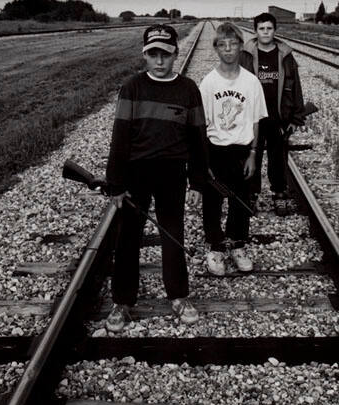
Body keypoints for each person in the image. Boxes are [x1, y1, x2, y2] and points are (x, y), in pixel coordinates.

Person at [104, 24, 208, 332]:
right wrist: (116, 183)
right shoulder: (132, 87)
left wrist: (198, 181)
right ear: (145, 56)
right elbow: (119, 138)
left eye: (165, 54)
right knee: (127, 238)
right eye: (153, 54)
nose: (159, 61)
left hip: (172, 172)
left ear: (176, 54)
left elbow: (198, 139)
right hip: (136, 172)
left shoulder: (188, 89)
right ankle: (123, 301)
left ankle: (178, 295)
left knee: (173, 234)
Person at [199, 22, 267, 276]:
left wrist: (253, 154)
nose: (228, 49)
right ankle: (215, 247)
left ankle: (238, 245)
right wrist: (203, 160)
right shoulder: (208, 83)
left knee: (241, 200)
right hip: (216, 149)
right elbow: (201, 125)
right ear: (216, 48)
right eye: (222, 44)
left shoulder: (251, 82)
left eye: (233, 43)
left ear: (241, 46)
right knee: (213, 201)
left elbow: (256, 121)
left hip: (242, 150)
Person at [241, 12, 305, 214]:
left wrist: (296, 117)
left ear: (275, 30)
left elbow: (295, 86)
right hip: (253, 118)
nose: (266, 32)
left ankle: (279, 193)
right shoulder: (246, 54)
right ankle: (251, 194)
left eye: (269, 28)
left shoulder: (285, 55)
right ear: (255, 31)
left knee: (278, 158)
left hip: (279, 117)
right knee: (253, 156)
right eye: (262, 28)